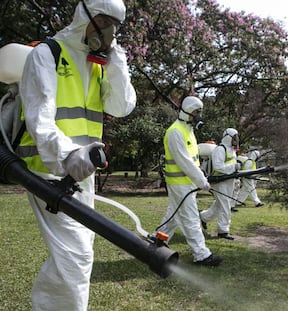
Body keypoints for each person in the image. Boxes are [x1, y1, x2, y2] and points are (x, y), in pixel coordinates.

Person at [16, 1, 136, 310]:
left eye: (114, 25)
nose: (108, 29)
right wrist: (69, 154)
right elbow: (39, 121)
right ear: (84, 15)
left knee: (79, 252)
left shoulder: (98, 64)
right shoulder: (47, 54)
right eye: (103, 20)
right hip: (49, 171)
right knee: (77, 255)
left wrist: (115, 59)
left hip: (82, 173)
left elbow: (121, 107)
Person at [157, 96, 223, 266]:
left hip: (187, 183)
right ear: (187, 110)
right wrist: (202, 181)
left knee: (173, 214)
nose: (198, 115)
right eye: (196, 112)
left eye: (200, 112)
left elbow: (193, 158)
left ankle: (157, 240)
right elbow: (184, 162)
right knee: (191, 218)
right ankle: (201, 255)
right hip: (179, 183)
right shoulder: (175, 132)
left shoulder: (188, 130)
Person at [200, 128, 241, 240]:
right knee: (225, 205)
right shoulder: (220, 149)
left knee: (219, 204)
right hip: (219, 181)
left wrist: (236, 170)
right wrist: (234, 167)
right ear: (228, 137)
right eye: (234, 138)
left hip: (229, 181)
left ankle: (203, 217)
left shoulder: (231, 150)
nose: (235, 140)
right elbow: (218, 166)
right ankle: (223, 231)